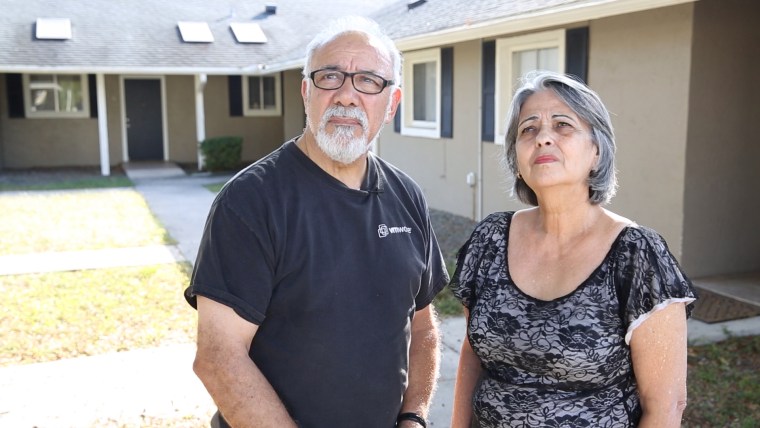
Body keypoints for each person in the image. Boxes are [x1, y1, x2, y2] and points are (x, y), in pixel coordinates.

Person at [183, 16, 449, 428]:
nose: (346, 95)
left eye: (368, 81)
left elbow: (423, 327)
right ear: (307, 92)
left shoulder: (407, 196)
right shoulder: (251, 201)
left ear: (392, 104)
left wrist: (413, 417)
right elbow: (219, 358)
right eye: (330, 77)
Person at [449, 71, 698, 427]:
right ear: (517, 159)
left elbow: (666, 406)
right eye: (528, 129)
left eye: (563, 125)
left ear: (597, 151)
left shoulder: (637, 255)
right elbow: (473, 355)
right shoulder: (491, 238)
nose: (543, 138)